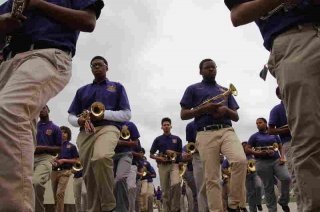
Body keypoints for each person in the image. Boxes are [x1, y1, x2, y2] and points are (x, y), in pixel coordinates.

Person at [0, 0, 104, 210]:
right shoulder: (11, 2)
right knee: (14, 123)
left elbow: (88, 21)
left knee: (8, 109)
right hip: (7, 62)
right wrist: (4, 22)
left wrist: (38, 4)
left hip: (47, 54)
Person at [224, 1, 320, 211]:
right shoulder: (264, 126)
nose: (259, 123)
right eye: (258, 122)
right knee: (310, 136)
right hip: (296, 37)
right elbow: (237, 15)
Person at [180, 58, 247, 212]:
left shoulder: (225, 90)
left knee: (240, 161)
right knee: (212, 178)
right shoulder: (192, 89)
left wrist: (225, 110)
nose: (211, 70)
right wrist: (204, 109)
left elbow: (236, 117)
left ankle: (233, 204)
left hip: (226, 130)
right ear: (200, 71)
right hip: (205, 133)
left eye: (213, 67)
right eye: (207, 67)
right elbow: (183, 114)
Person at [68, 56, 131, 212]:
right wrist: (79, 121)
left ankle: (109, 205)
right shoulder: (82, 90)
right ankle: (94, 209)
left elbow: (126, 114)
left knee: (101, 157)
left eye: (100, 64)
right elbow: (71, 115)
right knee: (89, 174)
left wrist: (103, 114)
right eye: (93, 65)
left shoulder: (117, 87)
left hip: (108, 128)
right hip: (86, 131)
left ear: (106, 67)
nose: (96, 67)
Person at [245, 118, 291, 212]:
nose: (258, 124)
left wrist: (282, 157)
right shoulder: (254, 136)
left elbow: (280, 146)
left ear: (266, 123)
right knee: (268, 187)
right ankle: (272, 210)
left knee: (286, 178)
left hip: (276, 160)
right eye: (256, 123)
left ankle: (283, 200)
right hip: (262, 163)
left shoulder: (274, 135)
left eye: (260, 122)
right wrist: (257, 153)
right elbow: (247, 148)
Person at [33, 105, 62, 212]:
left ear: (48, 110)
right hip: (30, 158)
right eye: (39, 107)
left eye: (43, 107)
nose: (41, 109)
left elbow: (59, 149)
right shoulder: (33, 127)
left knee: (36, 182)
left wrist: (43, 147)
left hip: (46, 158)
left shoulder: (55, 128)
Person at [150, 117, 182, 212]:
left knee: (176, 184)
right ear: (161, 127)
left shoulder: (177, 139)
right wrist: (159, 158)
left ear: (171, 126)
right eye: (164, 125)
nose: (166, 126)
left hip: (174, 164)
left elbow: (180, 154)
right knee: (165, 191)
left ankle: (175, 209)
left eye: (168, 125)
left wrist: (173, 153)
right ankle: (167, 210)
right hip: (163, 166)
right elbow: (151, 154)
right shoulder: (158, 139)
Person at [113, 121, 140, 212]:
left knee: (120, 179)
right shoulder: (108, 124)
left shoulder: (130, 125)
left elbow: (135, 143)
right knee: (113, 184)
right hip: (110, 155)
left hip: (126, 154)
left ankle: (123, 209)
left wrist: (119, 142)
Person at [51, 126, 79, 212]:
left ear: (68, 134)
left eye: (65, 132)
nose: (63, 134)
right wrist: (53, 160)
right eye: (61, 132)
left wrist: (64, 160)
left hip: (65, 171)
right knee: (55, 195)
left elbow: (77, 160)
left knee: (60, 193)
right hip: (54, 172)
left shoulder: (71, 146)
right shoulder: (54, 146)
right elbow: (50, 157)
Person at [185, 120, 208, 212]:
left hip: (211, 153)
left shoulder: (210, 120)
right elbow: (190, 144)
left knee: (215, 183)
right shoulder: (190, 125)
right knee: (200, 187)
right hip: (197, 156)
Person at [241, 142, 263, 212]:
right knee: (251, 193)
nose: (245, 148)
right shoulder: (241, 156)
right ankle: (252, 210)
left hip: (255, 173)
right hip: (246, 176)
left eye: (246, 146)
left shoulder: (253, 153)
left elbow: (260, 160)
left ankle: (258, 202)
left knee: (259, 186)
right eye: (243, 147)